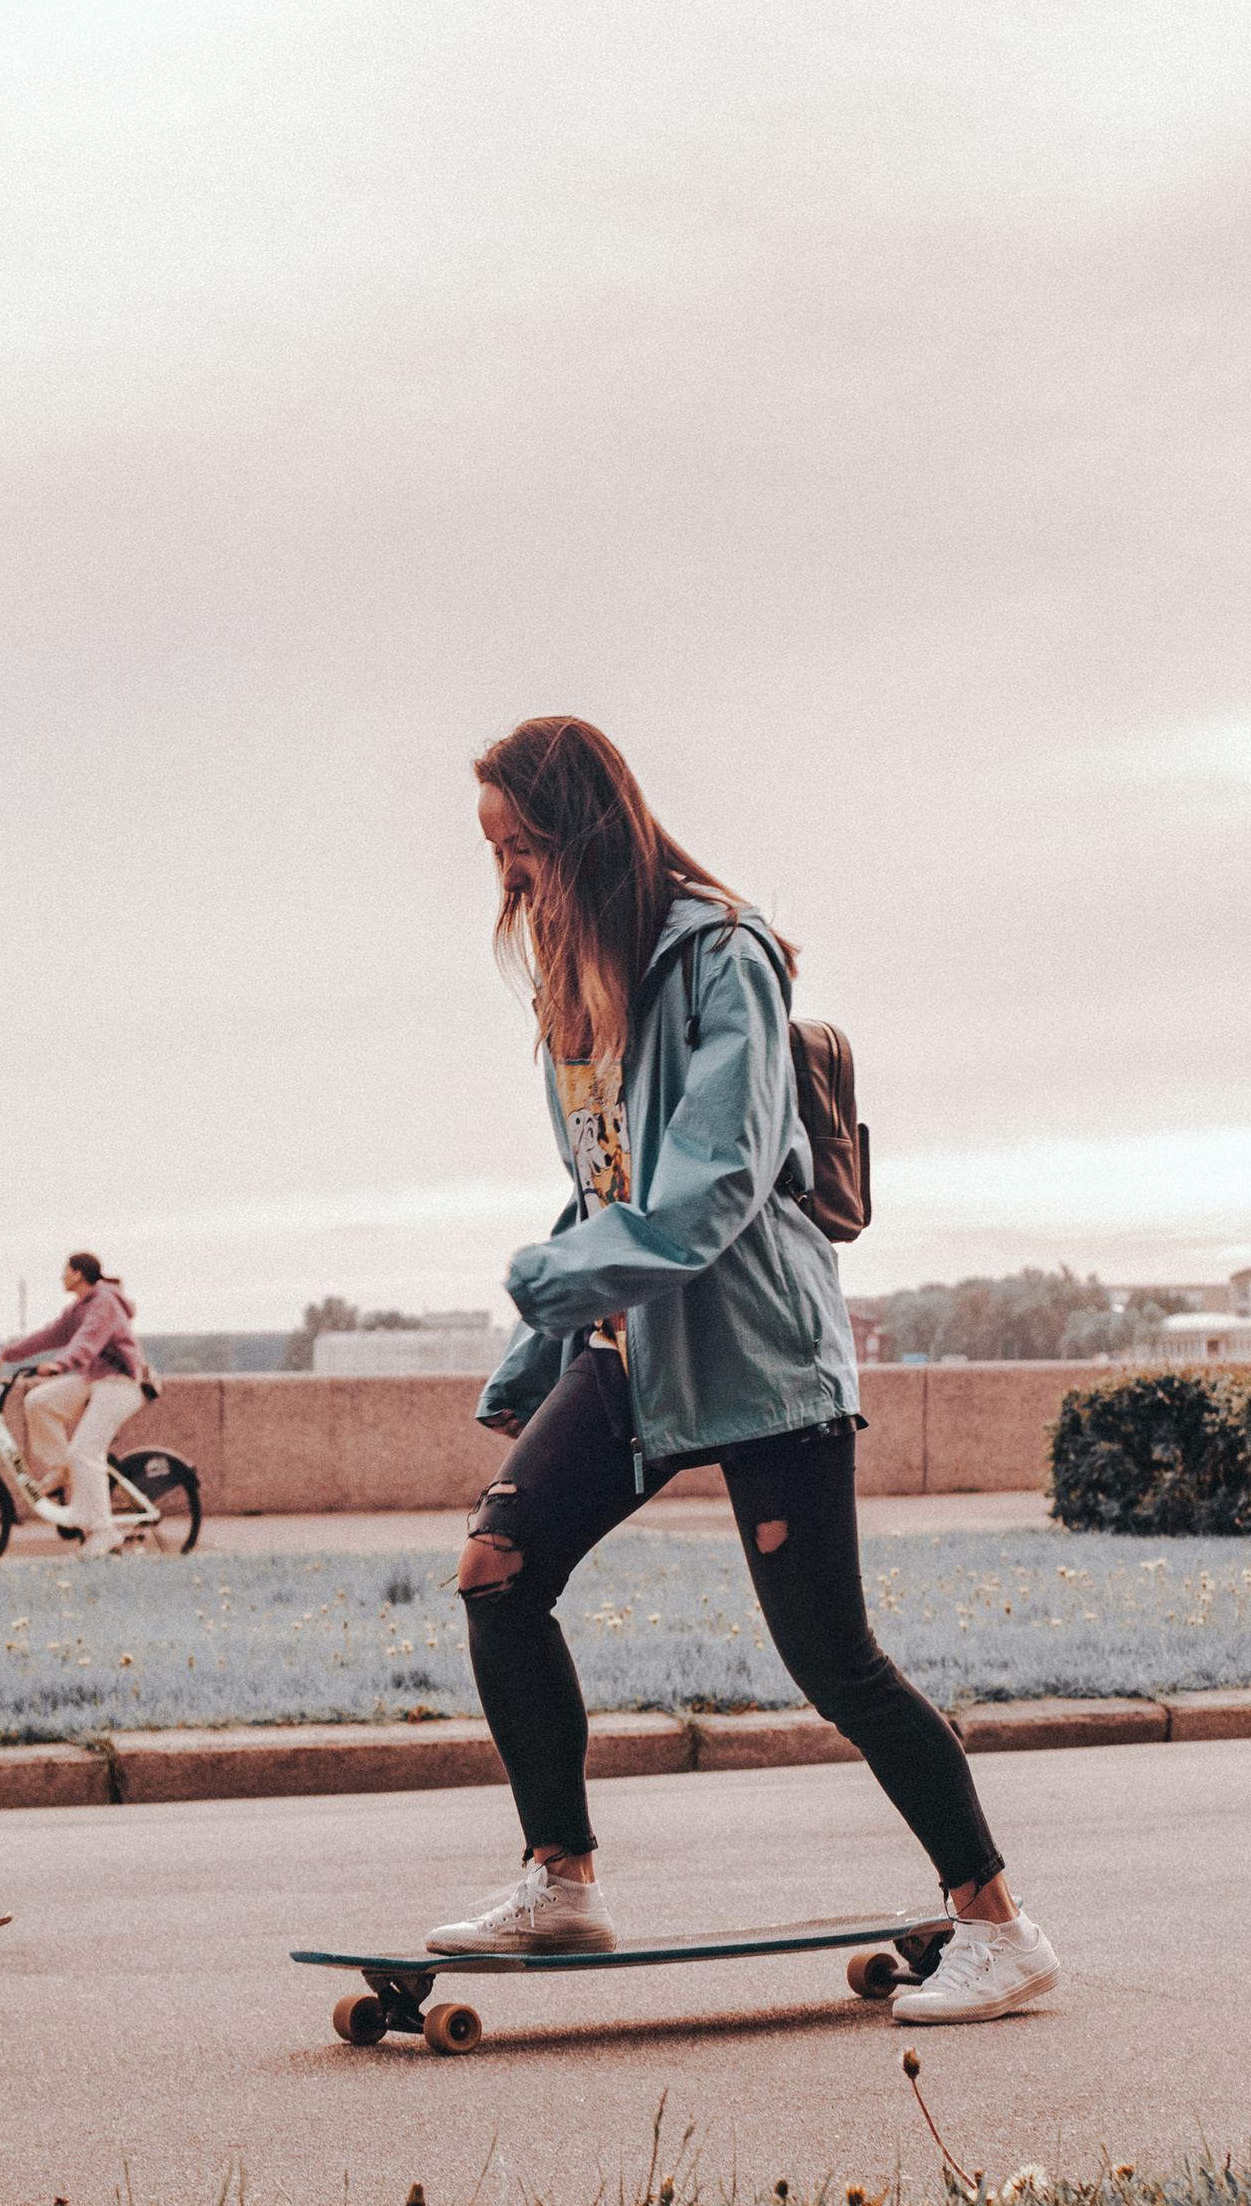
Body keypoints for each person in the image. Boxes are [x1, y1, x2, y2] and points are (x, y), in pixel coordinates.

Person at [430, 715, 1058, 2027]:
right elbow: (594, 1189)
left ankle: (998, 1925)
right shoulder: (571, 982)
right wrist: (538, 1346)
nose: (510, 881)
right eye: (495, 857)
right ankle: (561, 1881)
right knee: (500, 1571)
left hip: (757, 1349)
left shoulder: (719, 957)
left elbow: (710, 1183)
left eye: (524, 850)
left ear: (585, 832)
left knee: (832, 1658)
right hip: (630, 1348)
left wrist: (554, 1285)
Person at [0, 1254, 150, 1556]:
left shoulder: (104, 1302)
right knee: (38, 1401)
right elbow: (47, 1335)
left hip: (121, 1383)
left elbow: (86, 1341)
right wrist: (5, 1355)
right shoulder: (80, 1307)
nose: (61, 1277)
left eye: (65, 1272)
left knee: (85, 1450)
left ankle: (104, 1532)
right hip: (94, 1380)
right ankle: (62, 1469)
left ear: (78, 1274)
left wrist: (61, 1364)